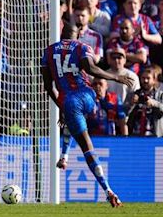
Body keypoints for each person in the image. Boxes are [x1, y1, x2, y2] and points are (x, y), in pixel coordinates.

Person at [40, 23, 133, 207]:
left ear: (62, 34)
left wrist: (60, 105)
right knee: (76, 118)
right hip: (88, 96)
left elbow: (47, 86)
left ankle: (108, 191)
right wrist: (115, 77)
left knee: (86, 145)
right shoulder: (82, 46)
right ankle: (64, 157)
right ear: (78, 34)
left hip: (69, 101)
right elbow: (90, 69)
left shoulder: (48, 51)